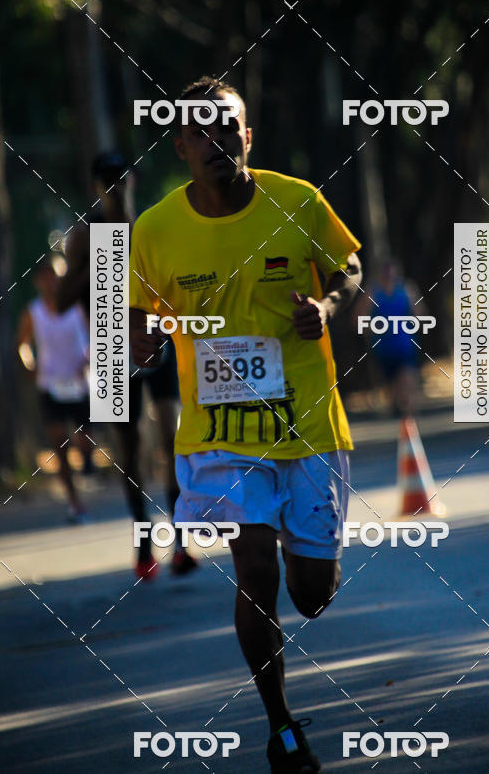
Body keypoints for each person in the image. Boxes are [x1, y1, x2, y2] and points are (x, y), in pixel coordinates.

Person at [129, 75, 362, 773]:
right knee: (253, 570)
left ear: (247, 136)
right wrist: (142, 343)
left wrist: (327, 307)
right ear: (181, 146)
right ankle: (281, 727)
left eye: (227, 128)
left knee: (310, 594)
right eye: (200, 132)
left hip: (309, 425)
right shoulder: (156, 230)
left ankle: (309, 552)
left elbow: (348, 267)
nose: (216, 141)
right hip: (220, 436)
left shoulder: (298, 201)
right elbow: (136, 318)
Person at [56, 153, 197, 579]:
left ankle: (181, 542)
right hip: (110, 348)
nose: (118, 186)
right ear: (96, 186)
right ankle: (142, 543)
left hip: (156, 338)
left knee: (171, 436)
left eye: (123, 178)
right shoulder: (84, 235)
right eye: (109, 181)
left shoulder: (152, 226)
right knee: (130, 450)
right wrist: (102, 263)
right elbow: (61, 301)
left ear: (133, 179)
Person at [17, 259, 91, 523]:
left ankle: (87, 458)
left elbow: (94, 336)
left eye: (55, 277)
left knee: (84, 440)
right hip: (50, 386)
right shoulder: (33, 312)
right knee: (59, 444)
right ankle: (75, 503)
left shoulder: (78, 307)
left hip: (79, 383)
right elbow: (23, 345)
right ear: (39, 282)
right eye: (46, 278)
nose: (51, 282)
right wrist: (30, 365)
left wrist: (88, 360)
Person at [355, 258, 420, 417]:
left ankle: (408, 414)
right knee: (390, 387)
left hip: (405, 345)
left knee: (406, 380)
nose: (390, 276)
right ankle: (396, 409)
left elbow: (420, 314)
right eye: (386, 272)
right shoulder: (373, 292)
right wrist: (372, 328)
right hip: (383, 347)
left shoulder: (407, 290)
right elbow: (357, 317)